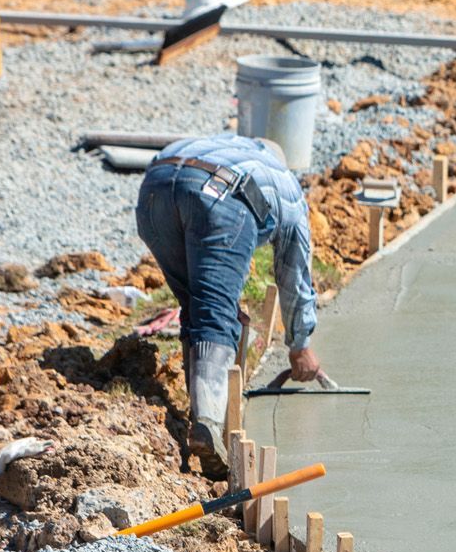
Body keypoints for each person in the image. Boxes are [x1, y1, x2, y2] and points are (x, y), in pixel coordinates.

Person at [135, 134, 321, 477]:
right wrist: (301, 344)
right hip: (220, 194)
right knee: (215, 315)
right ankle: (207, 422)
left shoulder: (229, 146)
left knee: (197, 304)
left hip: (155, 189)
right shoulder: (284, 182)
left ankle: (202, 414)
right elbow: (294, 273)